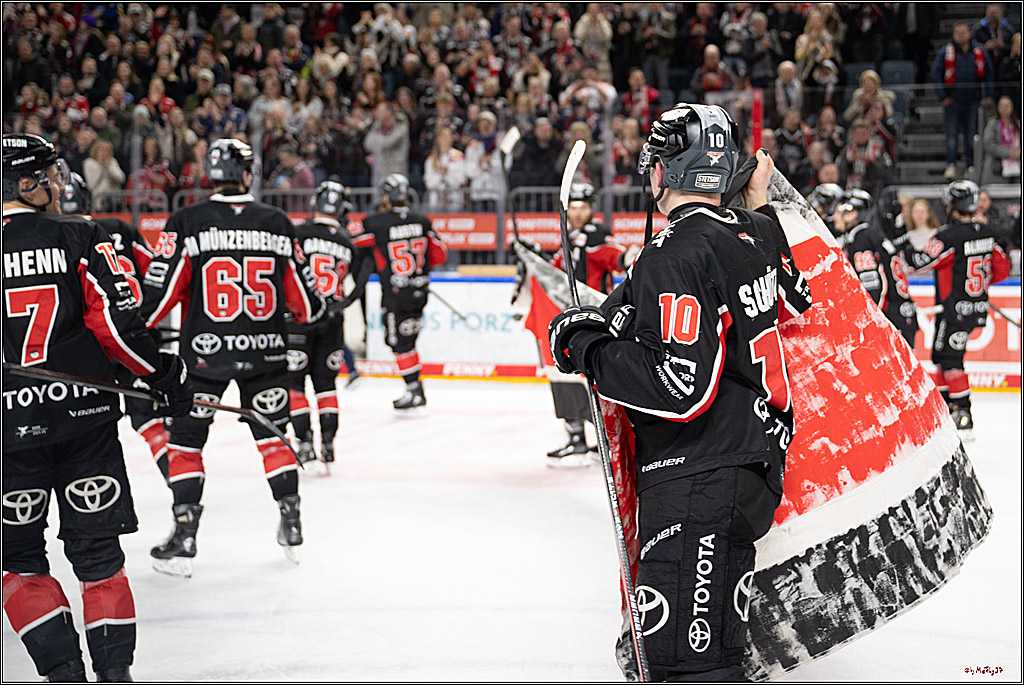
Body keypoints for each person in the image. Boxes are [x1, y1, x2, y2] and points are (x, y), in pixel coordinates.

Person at [547, 104, 812, 681]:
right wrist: (590, 327)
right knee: (720, 658)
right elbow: (799, 298)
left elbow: (678, 386)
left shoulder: (674, 253)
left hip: (699, 478)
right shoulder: (760, 230)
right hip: (750, 472)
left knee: (681, 670)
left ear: (664, 171)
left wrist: (586, 351)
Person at [2, 133, 191, 682]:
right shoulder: (82, 235)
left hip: (9, 436)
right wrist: (161, 375)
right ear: (28, 183)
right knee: (99, 557)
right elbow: (114, 327)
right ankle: (114, 675)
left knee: (18, 559)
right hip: (85, 423)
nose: (59, 185)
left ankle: (62, 674)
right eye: (51, 176)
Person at [139, 138, 326, 576]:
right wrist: (315, 308)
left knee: (185, 442)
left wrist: (132, 332)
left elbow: (160, 294)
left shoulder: (189, 220)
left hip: (204, 358)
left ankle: (185, 535)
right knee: (274, 437)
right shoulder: (277, 221)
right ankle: (291, 522)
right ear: (248, 173)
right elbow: (305, 302)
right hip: (267, 354)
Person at [60, 171, 177, 481]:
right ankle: (180, 485)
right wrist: (143, 319)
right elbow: (157, 274)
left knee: (88, 426)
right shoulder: (118, 229)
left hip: (88, 348)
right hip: (133, 338)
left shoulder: (53, 238)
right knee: (144, 415)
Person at [902, 180, 1010, 436]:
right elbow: (1002, 269)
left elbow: (918, 263)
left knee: (950, 360)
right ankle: (945, 411)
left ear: (952, 204)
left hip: (953, 310)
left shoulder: (949, 235)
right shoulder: (987, 232)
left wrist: (902, 247)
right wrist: (978, 288)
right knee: (942, 357)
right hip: (975, 308)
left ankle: (962, 413)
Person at [287, 179, 370, 471]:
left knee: (294, 385)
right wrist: (346, 301)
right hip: (332, 318)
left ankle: (305, 442)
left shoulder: (298, 233)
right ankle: (328, 443)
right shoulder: (346, 241)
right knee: (325, 385)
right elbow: (363, 272)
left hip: (298, 318)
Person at [351, 174, 448, 411]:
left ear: (387, 196)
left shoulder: (377, 222)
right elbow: (440, 254)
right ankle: (415, 389)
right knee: (409, 341)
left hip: (396, 295)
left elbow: (351, 238)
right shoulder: (422, 220)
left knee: (398, 343)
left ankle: (413, 390)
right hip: (419, 291)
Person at [545, 182, 625, 466]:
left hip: (593, 319)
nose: (578, 214)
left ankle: (604, 439)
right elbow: (554, 270)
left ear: (592, 209)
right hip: (568, 320)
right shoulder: (568, 237)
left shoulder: (596, 234)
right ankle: (577, 437)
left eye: (583, 208)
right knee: (564, 376)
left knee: (594, 380)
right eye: (574, 208)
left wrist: (627, 258)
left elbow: (614, 256)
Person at [831, 188, 918, 347]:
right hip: (902, 313)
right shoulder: (869, 234)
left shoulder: (861, 239)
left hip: (890, 317)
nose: (834, 217)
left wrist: (869, 323)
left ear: (852, 213)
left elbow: (872, 287)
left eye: (838, 211)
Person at [931, 21, 995, 180]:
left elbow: (989, 75)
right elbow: (936, 75)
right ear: (953, 35)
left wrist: (989, 95)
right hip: (952, 101)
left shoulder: (979, 51)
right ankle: (951, 164)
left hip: (973, 101)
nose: (961, 35)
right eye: (957, 32)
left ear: (969, 33)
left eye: (963, 31)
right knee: (951, 135)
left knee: (971, 135)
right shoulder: (946, 52)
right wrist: (942, 96)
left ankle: (970, 165)